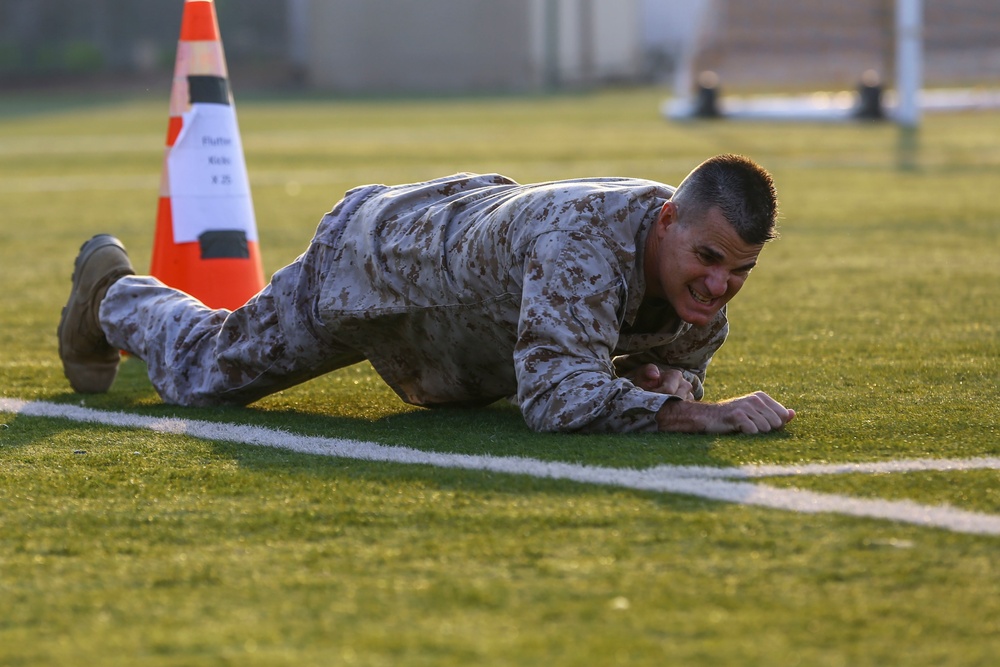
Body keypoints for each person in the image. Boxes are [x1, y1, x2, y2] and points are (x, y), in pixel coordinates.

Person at [58, 153, 795, 434]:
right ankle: (113, 291)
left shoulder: (702, 294)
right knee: (202, 375)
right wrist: (692, 411)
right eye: (707, 258)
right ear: (667, 219)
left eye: (740, 271)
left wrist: (667, 377)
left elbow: (643, 362)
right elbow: (557, 400)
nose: (719, 285)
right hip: (377, 264)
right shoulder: (585, 246)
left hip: (456, 318)